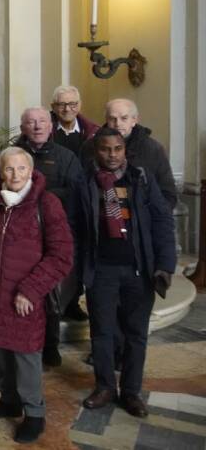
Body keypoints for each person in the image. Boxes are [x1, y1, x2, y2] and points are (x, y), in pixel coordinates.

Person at [0, 147, 73, 444]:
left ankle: (34, 414)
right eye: (9, 169)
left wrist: (31, 290)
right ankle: (8, 400)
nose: (16, 175)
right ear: (0, 172)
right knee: (1, 348)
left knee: (26, 355)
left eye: (22, 169)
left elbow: (61, 255)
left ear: (31, 171)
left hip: (24, 297)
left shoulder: (46, 204)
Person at [75, 127, 176, 418]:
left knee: (136, 334)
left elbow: (162, 223)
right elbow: (74, 228)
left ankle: (131, 392)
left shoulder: (141, 180)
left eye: (117, 149)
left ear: (124, 151)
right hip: (102, 269)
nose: (112, 155)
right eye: (105, 149)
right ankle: (105, 387)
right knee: (103, 333)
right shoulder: (85, 182)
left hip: (138, 270)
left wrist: (165, 265)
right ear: (97, 151)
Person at [14, 106, 83, 366]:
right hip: (20, 238)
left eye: (42, 121)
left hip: (52, 236)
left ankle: (50, 345)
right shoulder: (13, 155)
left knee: (50, 294)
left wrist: (42, 197)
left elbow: (75, 194)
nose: (37, 126)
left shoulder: (66, 158)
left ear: (50, 126)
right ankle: (22, 344)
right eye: (31, 122)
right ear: (23, 128)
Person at [79, 99, 177, 210]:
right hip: (100, 215)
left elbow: (168, 194)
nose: (117, 124)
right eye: (112, 119)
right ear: (106, 120)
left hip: (142, 217)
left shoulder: (153, 149)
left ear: (134, 120)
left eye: (124, 118)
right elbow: (81, 187)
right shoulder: (90, 147)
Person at [49, 85, 99, 156]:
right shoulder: (44, 130)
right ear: (53, 107)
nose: (67, 109)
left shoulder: (93, 131)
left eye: (72, 104)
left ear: (79, 105)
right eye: (61, 104)